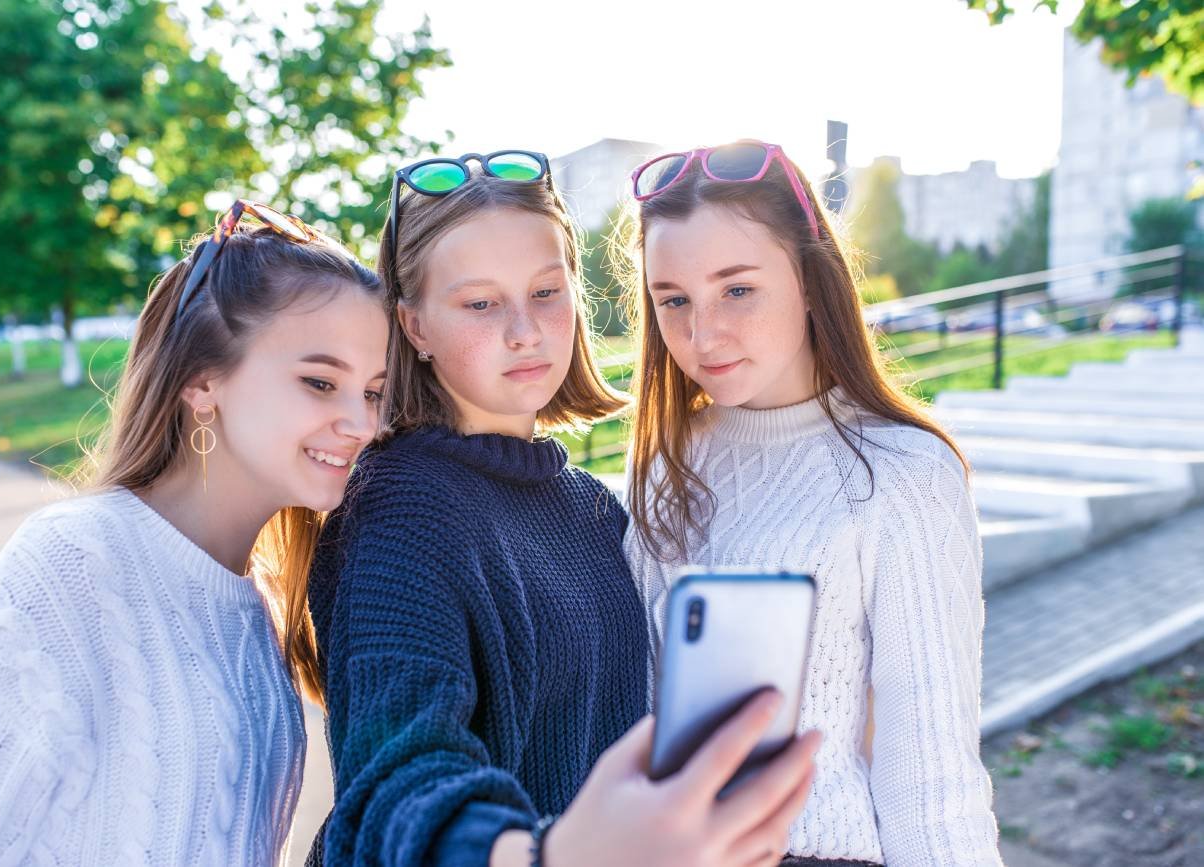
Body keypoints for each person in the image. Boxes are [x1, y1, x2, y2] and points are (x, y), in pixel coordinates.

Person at [307, 150, 820, 867]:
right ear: (414, 326)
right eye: (481, 303)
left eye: (546, 291)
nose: (525, 330)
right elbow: (393, 785)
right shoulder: (397, 510)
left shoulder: (594, 510)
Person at [0, 201, 389, 866]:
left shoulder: (263, 614)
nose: (360, 423)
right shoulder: (72, 567)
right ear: (202, 380)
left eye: (372, 392)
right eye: (320, 381)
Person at [621, 140, 1003, 866]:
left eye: (737, 289)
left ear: (807, 279)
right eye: (674, 300)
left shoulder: (902, 473)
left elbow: (930, 769)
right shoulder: (661, 469)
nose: (703, 334)